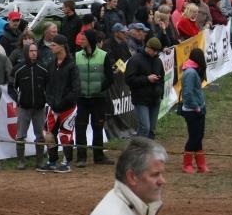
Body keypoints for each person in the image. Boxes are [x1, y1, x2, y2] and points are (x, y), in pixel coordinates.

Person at [74, 30, 115, 167]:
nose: (81, 41)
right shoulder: (76, 56)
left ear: (90, 40)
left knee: (97, 127)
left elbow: (110, 78)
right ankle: (81, 158)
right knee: (80, 128)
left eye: (83, 39)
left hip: (98, 99)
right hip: (82, 98)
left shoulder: (104, 56)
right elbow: (74, 77)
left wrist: (99, 88)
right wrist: (78, 89)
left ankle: (99, 156)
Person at [9, 42, 48, 170]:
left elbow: (49, 86)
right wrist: (19, 99)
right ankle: (21, 161)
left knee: (40, 135)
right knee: (20, 135)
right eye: (31, 51)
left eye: (35, 51)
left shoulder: (43, 68)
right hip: (24, 108)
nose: (34, 53)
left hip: (39, 108)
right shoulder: (18, 69)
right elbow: (11, 87)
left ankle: (40, 161)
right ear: (26, 52)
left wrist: (45, 98)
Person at [43, 35, 79, 173]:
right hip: (53, 106)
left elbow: (76, 89)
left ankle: (67, 162)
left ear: (62, 46)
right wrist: (50, 100)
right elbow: (48, 85)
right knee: (48, 134)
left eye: (54, 45)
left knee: (65, 135)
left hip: (68, 107)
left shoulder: (72, 66)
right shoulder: (51, 65)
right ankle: (52, 161)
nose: (51, 47)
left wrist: (63, 102)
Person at [125, 38, 165, 141]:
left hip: (155, 99)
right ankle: (138, 148)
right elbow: (129, 79)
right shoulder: (135, 60)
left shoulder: (158, 61)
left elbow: (162, 78)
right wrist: (147, 79)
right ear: (148, 48)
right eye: (154, 50)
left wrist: (160, 93)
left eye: (157, 51)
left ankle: (149, 149)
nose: (156, 53)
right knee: (145, 128)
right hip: (141, 99)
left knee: (151, 129)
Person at [178, 47, 209, 174]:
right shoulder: (191, 73)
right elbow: (187, 94)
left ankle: (201, 165)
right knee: (194, 137)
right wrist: (196, 107)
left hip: (198, 108)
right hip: (192, 110)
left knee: (199, 136)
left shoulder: (194, 70)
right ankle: (187, 164)